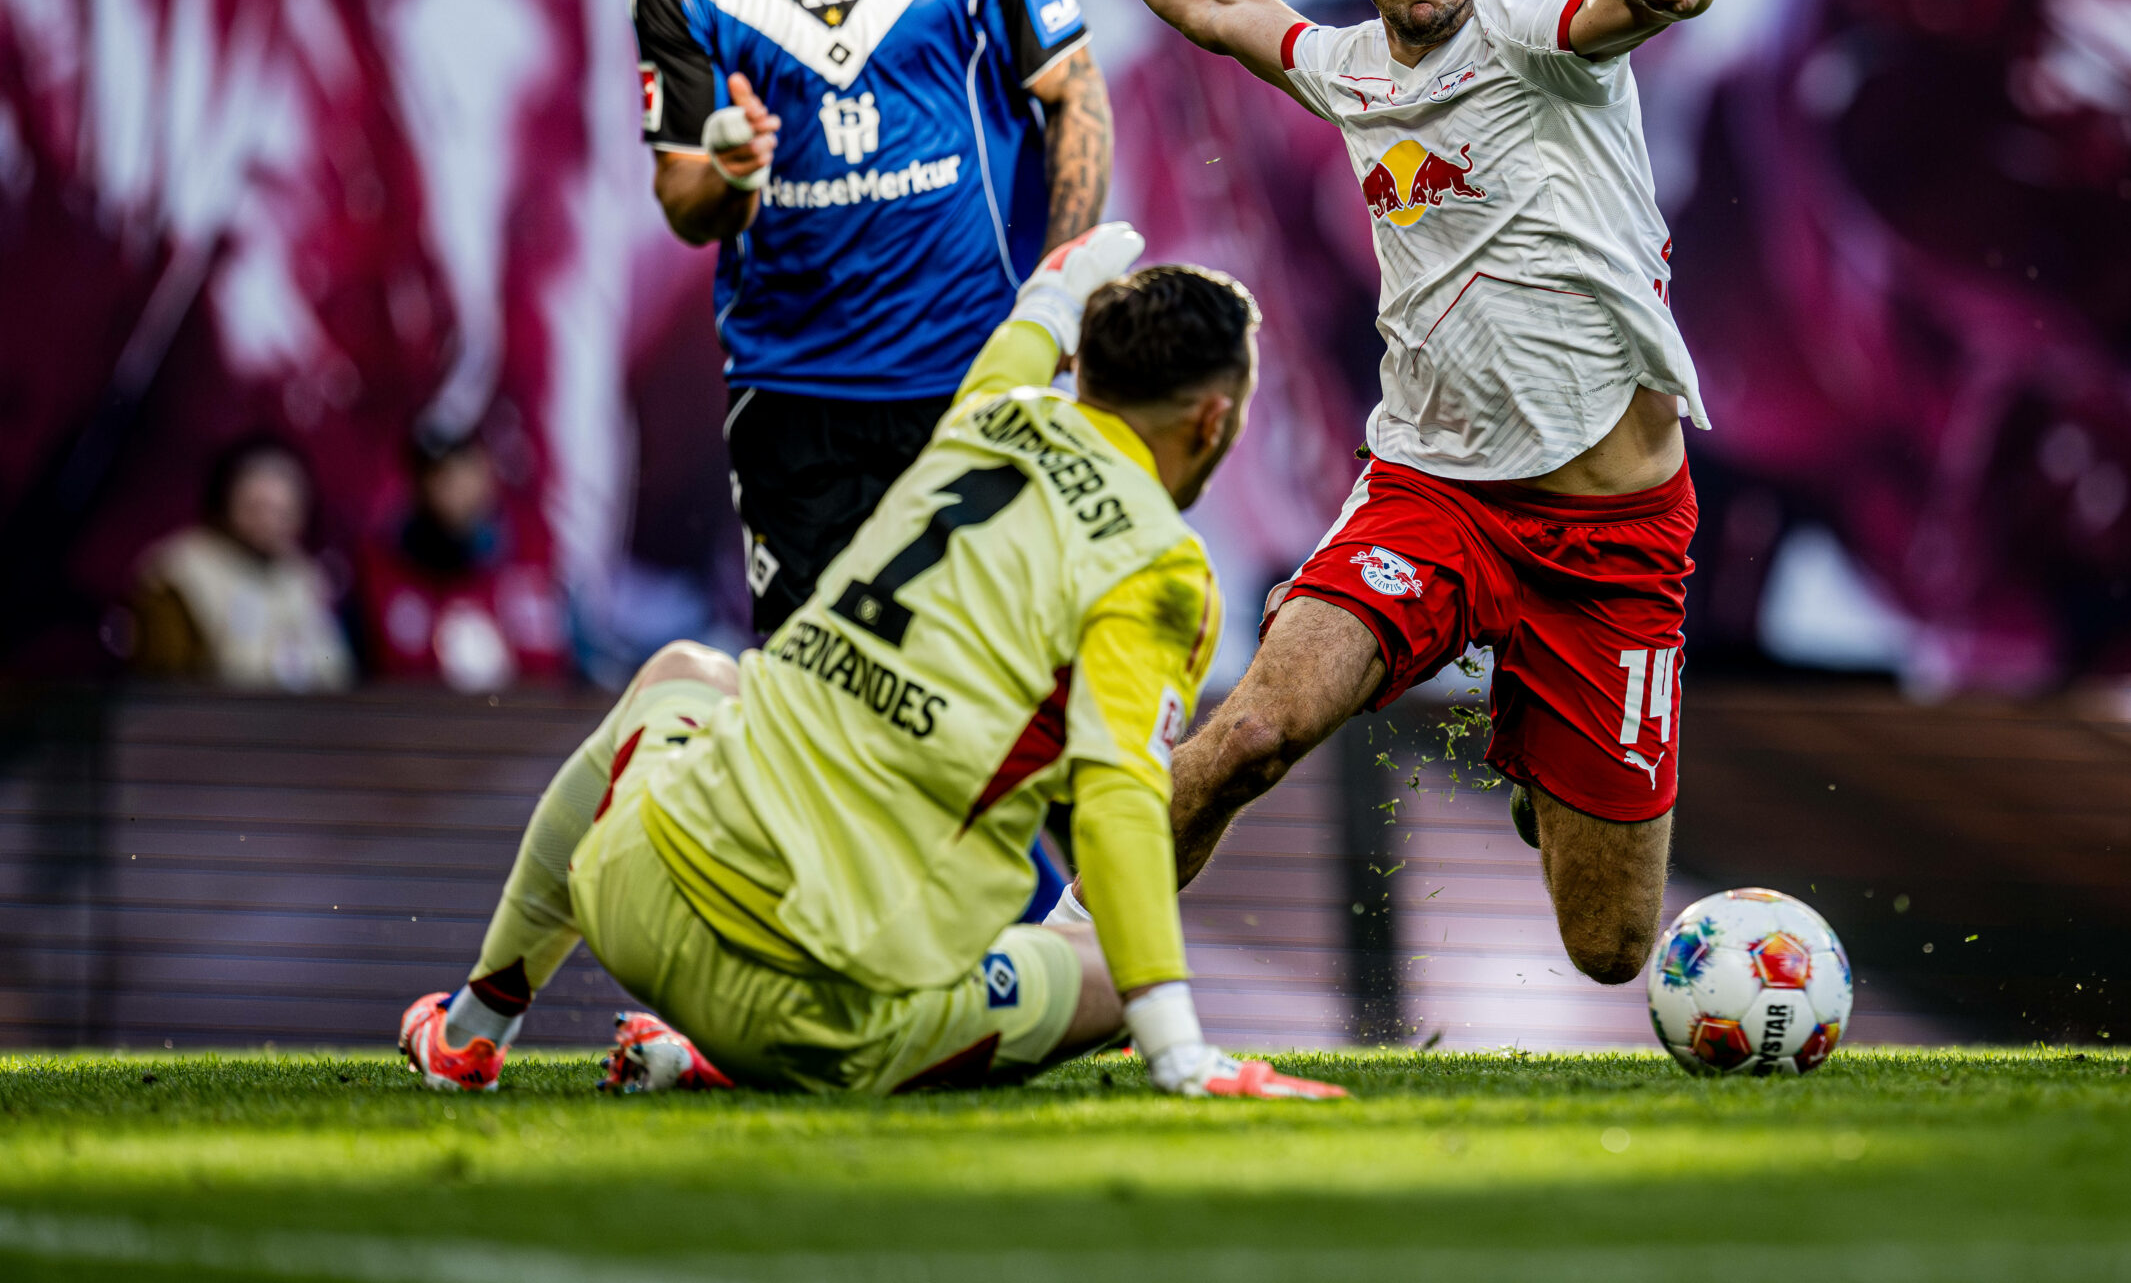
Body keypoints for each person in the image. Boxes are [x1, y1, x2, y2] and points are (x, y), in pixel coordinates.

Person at [974, 0, 1714, 988]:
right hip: (1433, 497)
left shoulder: (1533, 32)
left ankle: (1534, 734)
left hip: (1613, 539)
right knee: (1250, 736)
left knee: (1613, 949)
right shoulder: (1351, 70)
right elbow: (1225, 6)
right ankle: (1039, 974)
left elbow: (1618, 0)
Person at [397, 226, 1343, 1101]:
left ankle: (475, 1028)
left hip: (630, 890)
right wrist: (1178, 1044)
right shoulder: (1160, 566)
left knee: (684, 669)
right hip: (797, 1011)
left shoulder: (981, 420)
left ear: (1081, 373)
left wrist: (1060, 292)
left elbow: (1022, 339)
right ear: (1215, 418)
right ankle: (733, 1056)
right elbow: (1118, 804)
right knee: (1096, 965)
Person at [634, 0, 1111, 639]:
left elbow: (1075, 96)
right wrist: (730, 166)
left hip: (972, 373)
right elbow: (682, 201)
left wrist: (1056, 306)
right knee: (814, 710)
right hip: (790, 388)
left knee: (983, 690)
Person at [130, 436, 353, 691]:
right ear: (226, 499)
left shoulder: (305, 577)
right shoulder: (182, 572)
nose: (269, 523)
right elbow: (166, 687)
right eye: (257, 508)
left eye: (282, 513)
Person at [356, 428, 566, 690]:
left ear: (488, 473)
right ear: (418, 487)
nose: (455, 488)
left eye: (465, 470)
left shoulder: (532, 554)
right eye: (440, 476)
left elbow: (558, 667)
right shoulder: (384, 567)